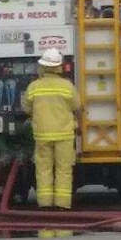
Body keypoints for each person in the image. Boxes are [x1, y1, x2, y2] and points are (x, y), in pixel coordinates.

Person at [24, 48, 81, 210]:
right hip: (64, 135)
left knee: (43, 169)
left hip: (42, 135)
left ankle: (45, 204)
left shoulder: (34, 87)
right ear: (59, 67)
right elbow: (77, 107)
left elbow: (27, 109)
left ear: (42, 66)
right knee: (64, 169)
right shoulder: (67, 86)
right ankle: (62, 205)